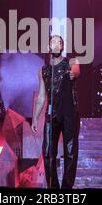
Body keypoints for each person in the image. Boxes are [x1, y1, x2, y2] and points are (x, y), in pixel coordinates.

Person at [31, 35, 80, 189]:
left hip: (69, 111)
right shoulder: (44, 70)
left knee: (70, 151)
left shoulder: (71, 62)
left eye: (59, 42)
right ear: (48, 47)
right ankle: (54, 188)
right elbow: (41, 96)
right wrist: (34, 118)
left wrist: (74, 73)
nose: (56, 44)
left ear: (62, 46)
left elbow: (76, 71)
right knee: (47, 152)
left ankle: (66, 188)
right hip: (52, 113)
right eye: (53, 41)